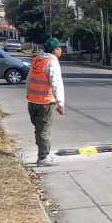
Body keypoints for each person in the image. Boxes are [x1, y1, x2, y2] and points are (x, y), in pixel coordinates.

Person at [27, 37, 65, 166]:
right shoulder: (52, 61)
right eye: (60, 48)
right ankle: (43, 158)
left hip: (32, 101)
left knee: (39, 129)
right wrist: (60, 103)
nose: (61, 50)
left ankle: (42, 154)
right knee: (44, 130)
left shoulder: (38, 59)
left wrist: (29, 96)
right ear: (55, 50)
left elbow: (29, 79)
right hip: (45, 102)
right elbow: (56, 84)